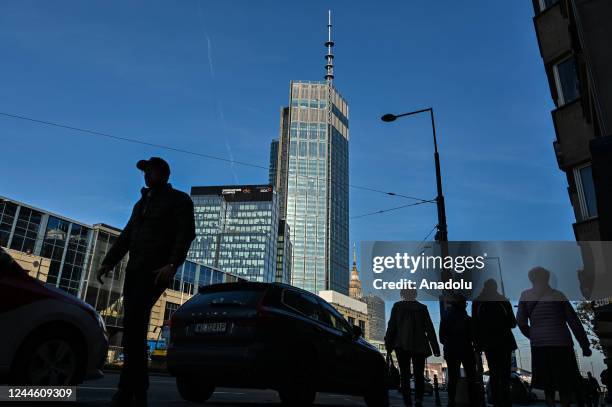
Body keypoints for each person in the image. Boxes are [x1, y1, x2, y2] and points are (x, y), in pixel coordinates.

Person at [97, 157, 195, 407]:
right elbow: (127, 235)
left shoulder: (179, 200)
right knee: (133, 330)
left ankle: (128, 391)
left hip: (155, 271)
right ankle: (136, 390)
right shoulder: (141, 203)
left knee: (135, 327)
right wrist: (109, 261)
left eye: (149, 171)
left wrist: (172, 264)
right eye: (144, 172)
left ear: (163, 173)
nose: (145, 175)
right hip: (134, 270)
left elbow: (186, 234)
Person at [517, 266, 591, 407]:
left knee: (547, 384)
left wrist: (534, 336)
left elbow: (520, 322)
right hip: (562, 343)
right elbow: (573, 320)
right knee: (564, 383)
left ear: (531, 279)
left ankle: (550, 404)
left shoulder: (525, 295)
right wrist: (584, 344)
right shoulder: (558, 295)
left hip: (539, 346)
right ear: (547, 278)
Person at [385, 288, 440, 407]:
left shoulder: (397, 307)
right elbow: (429, 328)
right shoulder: (422, 308)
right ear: (415, 294)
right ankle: (418, 400)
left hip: (401, 345)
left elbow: (391, 327)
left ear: (402, 294)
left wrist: (388, 344)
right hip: (419, 345)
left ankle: (407, 401)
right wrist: (435, 348)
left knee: (404, 374)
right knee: (419, 374)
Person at [472, 279, 517, 407]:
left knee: (495, 373)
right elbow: (512, 323)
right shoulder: (503, 300)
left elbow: (475, 325)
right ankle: (506, 402)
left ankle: (496, 401)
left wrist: (477, 345)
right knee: (505, 375)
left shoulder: (478, 302)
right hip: (505, 342)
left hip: (488, 343)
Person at [439, 295, 480, 407]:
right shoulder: (467, 319)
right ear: (461, 304)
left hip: (451, 351)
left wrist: (449, 343)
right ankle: (473, 401)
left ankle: (451, 401)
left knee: (453, 377)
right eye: (465, 303)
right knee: (471, 377)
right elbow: (474, 337)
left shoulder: (445, 317)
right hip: (467, 350)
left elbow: (441, 338)